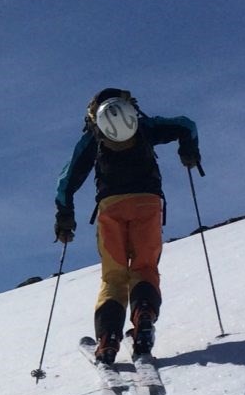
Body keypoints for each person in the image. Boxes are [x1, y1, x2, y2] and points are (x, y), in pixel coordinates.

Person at [53, 88, 202, 363]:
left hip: (111, 208)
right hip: (148, 203)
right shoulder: (143, 126)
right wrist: (189, 151)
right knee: (145, 267)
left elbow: (67, 180)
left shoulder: (93, 138)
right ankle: (144, 317)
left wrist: (65, 217)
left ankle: (108, 338)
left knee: (114, 276)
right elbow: (185, 125)